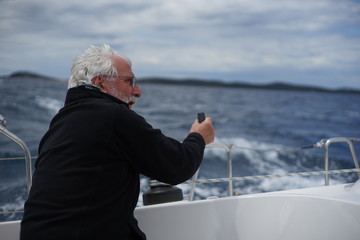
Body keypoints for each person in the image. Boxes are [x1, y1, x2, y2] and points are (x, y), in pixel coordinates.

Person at [20, 44, 215, 240]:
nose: (137, 92)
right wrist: (198, 137)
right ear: (100, 82)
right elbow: (177, 166)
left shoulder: (62, 121)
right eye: (129, 81)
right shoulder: (113, 115)